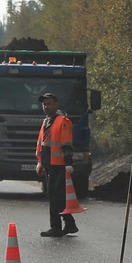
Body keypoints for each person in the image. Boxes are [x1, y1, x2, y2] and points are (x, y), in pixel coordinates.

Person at [35, 92, 77, 237]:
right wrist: (40, 162)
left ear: (56, 105)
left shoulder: (62, 121)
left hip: (58, 165)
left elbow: (66, 144)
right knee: (56, 196)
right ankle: (70, 224)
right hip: (48, 165)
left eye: (49, 104)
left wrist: (68, 163)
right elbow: (41, 144)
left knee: (54, 197)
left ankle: (56, 227)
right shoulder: (47, 121)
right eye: (44, 104)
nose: (46, 106)